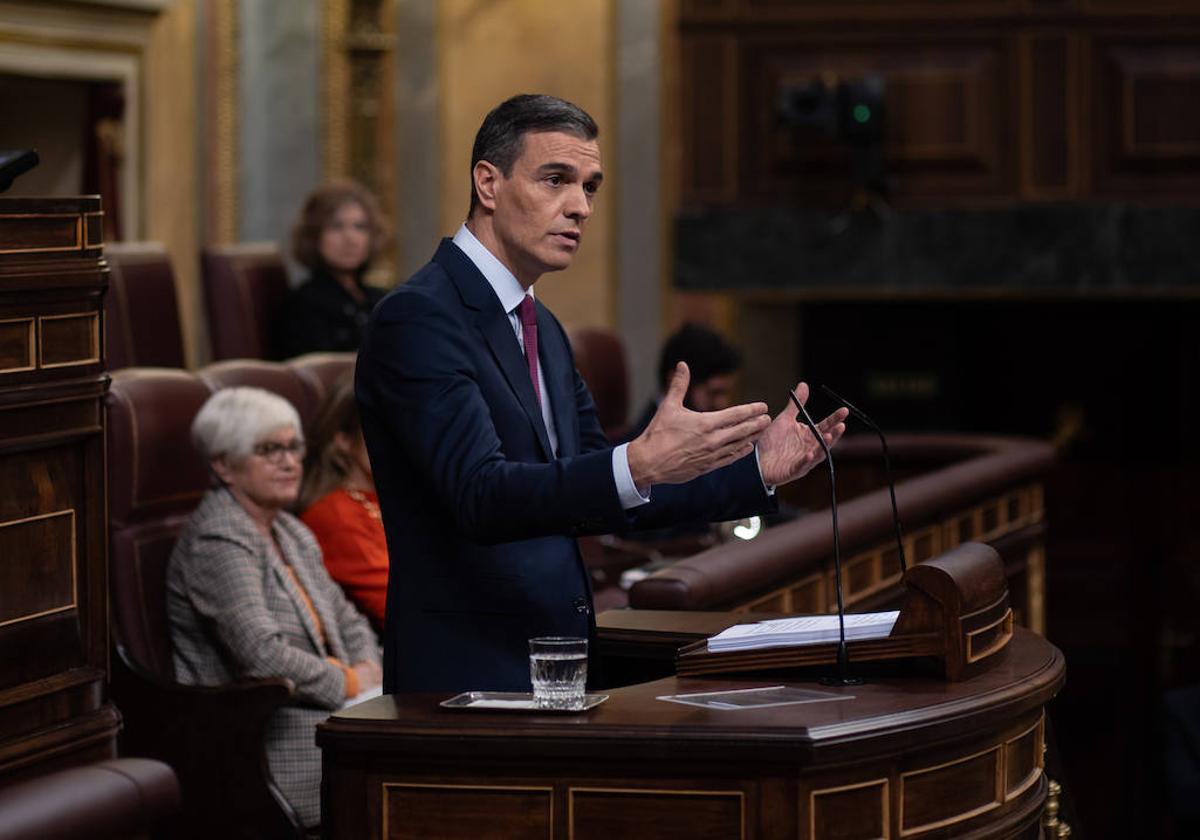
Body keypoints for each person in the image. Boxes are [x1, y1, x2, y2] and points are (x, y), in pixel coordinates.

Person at [356, 93, 847, 694]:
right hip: (465, 677)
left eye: (590, 187)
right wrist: (636, 462)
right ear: (488, 183)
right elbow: (479, 494)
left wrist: (756, 471)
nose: (580, 207)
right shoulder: (420, 317)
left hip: (556, 663)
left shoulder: (543, 327)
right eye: (556, 179)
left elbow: (608, 487)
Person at [166, 386, 381, 828]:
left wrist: (367, 665)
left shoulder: (288, 528)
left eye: (293, 447)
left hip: (332, 711)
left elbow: (350, 618)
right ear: (224, 464)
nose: (289, 462)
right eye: (269, 450)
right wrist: (349, 681)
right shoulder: (219, 539)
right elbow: (261, 654)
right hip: (268, 732)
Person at [299, 374, 388, 631]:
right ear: (343, 441)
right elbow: (400, 608)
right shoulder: (334, 515)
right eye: (382, 428)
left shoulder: (398, 496)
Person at [275, 178, 389, 359]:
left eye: (360, 227)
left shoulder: (381, 299)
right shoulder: (303, 305)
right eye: (336, 226)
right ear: (314, 236)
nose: (350, 238)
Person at [625, 322, 743, 441]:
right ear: (675, 383)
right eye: (713, 393)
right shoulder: (640, 446)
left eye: (726, 393)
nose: (722, 403)